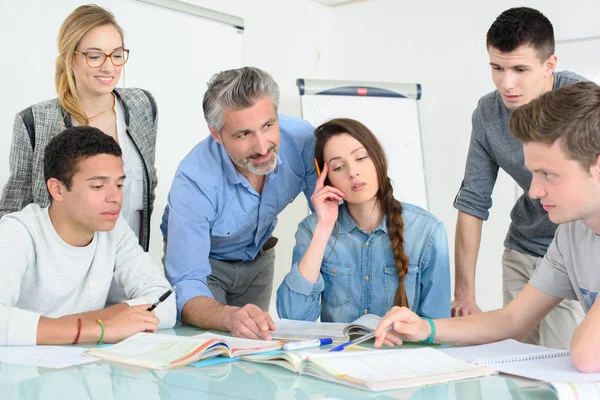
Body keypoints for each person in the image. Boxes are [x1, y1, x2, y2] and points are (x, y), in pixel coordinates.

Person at [374, 81, 600, 373]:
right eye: (533, 174)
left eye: (548, 174)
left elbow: (587, 356)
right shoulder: (572, 234)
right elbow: (513, 320)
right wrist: (425, 329)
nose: (534, 192)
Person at [451, 6, 586, 348]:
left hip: (574, 255)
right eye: (497, 68)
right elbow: (472, 201)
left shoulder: (582, 106)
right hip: (522, 250)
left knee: (566, 368)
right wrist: (464, 292)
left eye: (520, 69)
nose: (506, 84)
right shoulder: (487, 113)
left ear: (549, 64)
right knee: (519, 373)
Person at [162, 67, 317, 339]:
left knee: (255, 354)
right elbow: (187, 282)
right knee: (208, 356)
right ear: (216, 133)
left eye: (268, 125)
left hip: (259, 259)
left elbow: (333, 218)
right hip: (207, 267)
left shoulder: (302, 141)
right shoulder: (193, 183)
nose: (261, 147)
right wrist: (226, 315)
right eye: (243, 134)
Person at [0, 4, 158, 253]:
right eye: (94, 56)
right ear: (69, 58)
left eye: (116, 55)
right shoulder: (34, 122)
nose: (109, 67)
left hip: (129, 266)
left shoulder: (142, 107)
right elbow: (12, 210)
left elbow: (149, 184)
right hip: (61, 273)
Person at [0, 126, 175, 346]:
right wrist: (103, 329)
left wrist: (69, 326)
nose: (115, 198)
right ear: (58, 189)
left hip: (86, 366)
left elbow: (164, 302)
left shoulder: (113, 229)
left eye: (119, 184)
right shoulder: (18, 232)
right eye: (98, 186)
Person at [277, 118, 450, 322]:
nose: (353, 172)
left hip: (399, 353)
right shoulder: (312, 230)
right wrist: (324, 228)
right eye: (338, 166)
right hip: (338, 353)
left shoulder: (428, 231)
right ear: (326, 178)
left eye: (360, 158)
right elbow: (293, 318)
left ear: (377, 158)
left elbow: (438, 327)